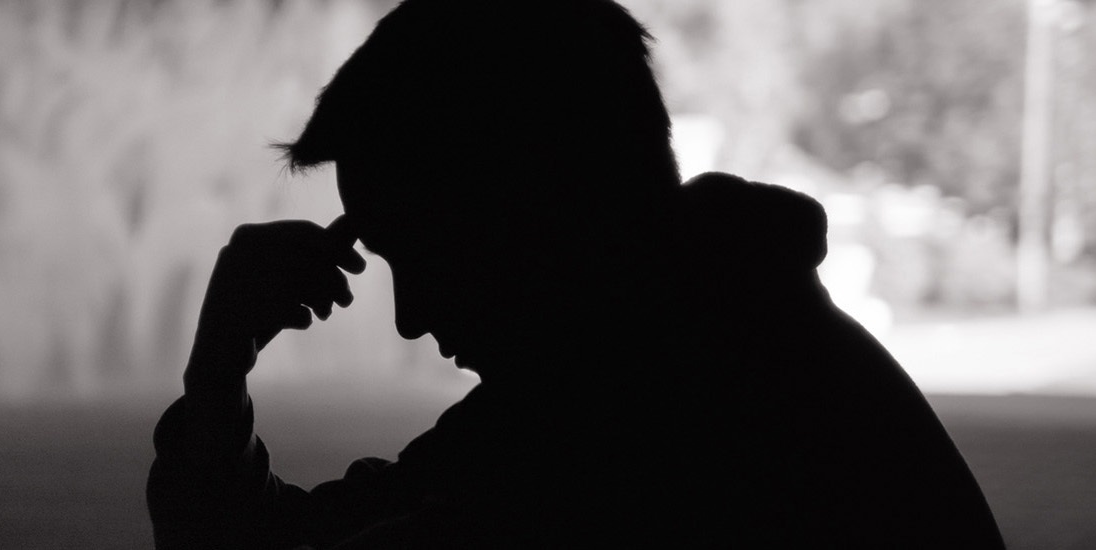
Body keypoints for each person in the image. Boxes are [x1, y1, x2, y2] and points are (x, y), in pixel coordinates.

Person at [145, 0, 1006, 547]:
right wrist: (216, 384)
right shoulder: (671, 357)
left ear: (534, 209)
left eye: (422, 252)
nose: (410, 319)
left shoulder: (654, 427)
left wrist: (216, 376)